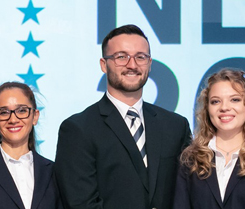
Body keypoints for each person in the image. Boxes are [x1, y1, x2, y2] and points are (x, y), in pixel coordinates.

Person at [55, 24, 192, 209]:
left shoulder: (176, 126)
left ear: (149, 64)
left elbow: (189, 194)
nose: (132, 65)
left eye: (140, 57)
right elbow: (81, 204)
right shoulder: (78, 129)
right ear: (104, 65)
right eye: (121, 57)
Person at [173, 69, 245, 209]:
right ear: (207, 109)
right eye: (215, 101)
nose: (224, 107)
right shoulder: (190, 159)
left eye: (235, 100)